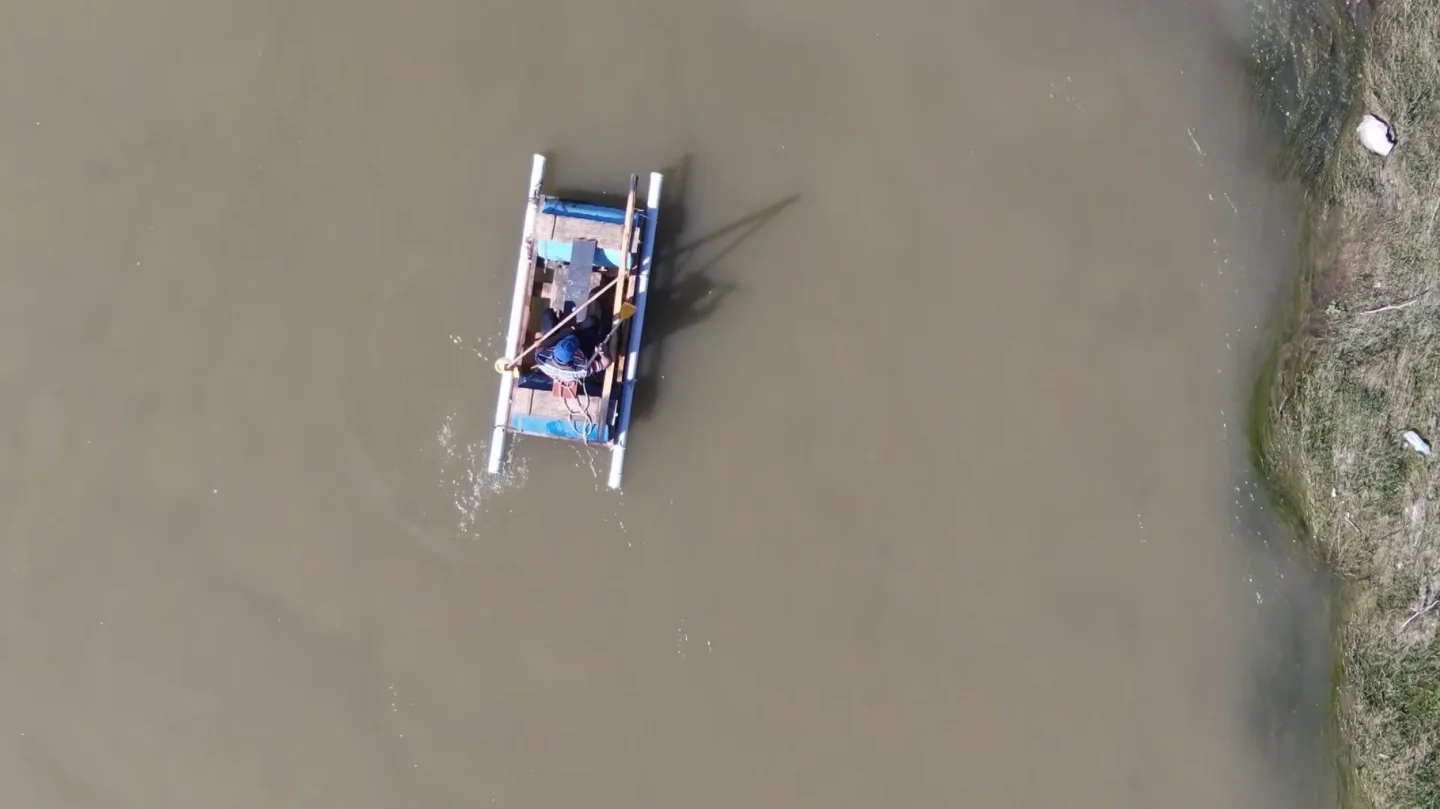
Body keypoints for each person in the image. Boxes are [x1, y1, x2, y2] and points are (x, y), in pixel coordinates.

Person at [533, 308, 612, 384]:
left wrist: (560, 335)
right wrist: (602, 353)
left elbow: (542, 344)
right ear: (573, 357)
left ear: (554, 350)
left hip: (557, 342)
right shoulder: (581, 369)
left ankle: (558, 321)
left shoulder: (541, 357)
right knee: (591, 321)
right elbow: (605, 363)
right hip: (582, 351)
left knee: (547, 314)